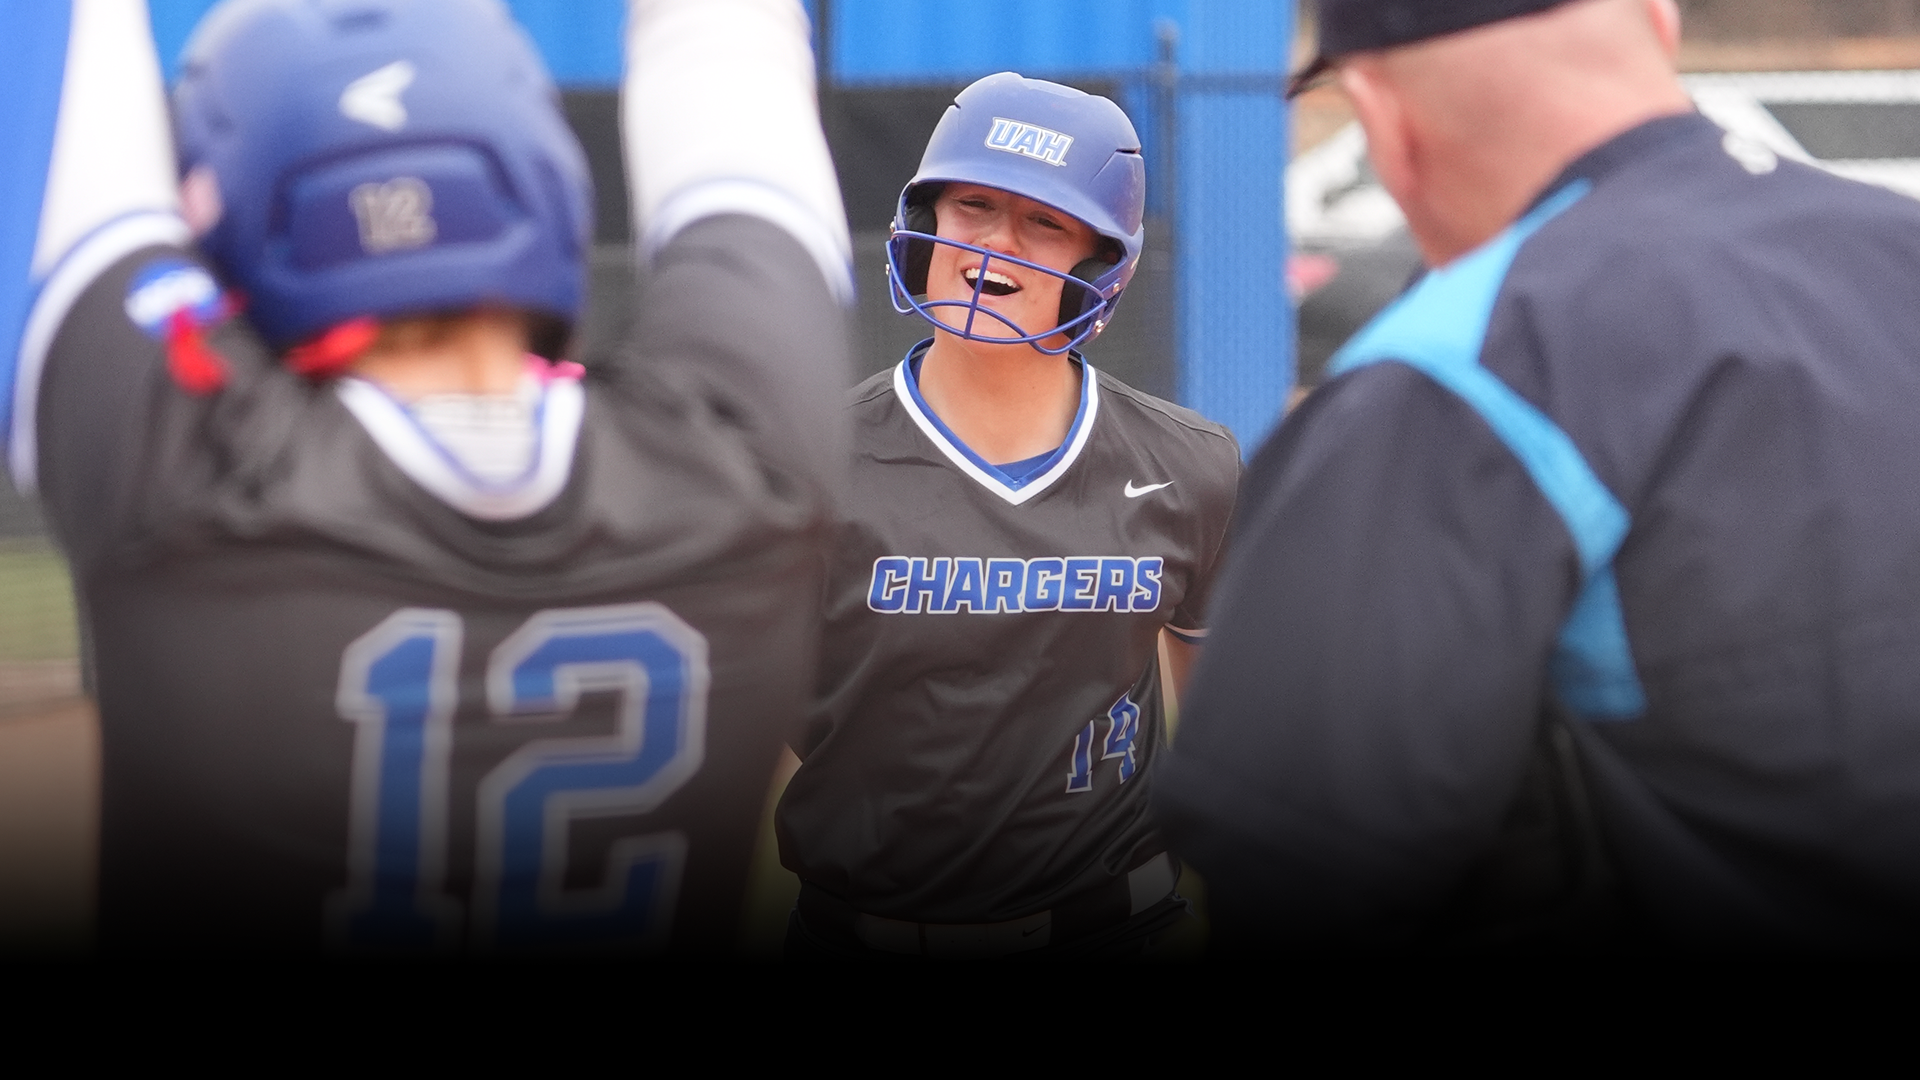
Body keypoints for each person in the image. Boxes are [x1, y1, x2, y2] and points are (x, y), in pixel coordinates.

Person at [0, 0, 850, 953]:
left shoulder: (180, 479)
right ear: (544, 182)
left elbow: (55, 58)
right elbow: (725, 43)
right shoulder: (746, 463)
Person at [1156, 0, 1920, 953]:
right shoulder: (1900, 249)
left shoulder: (1460, 368)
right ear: (1659, 22)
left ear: (1385, 123)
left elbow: (1295, 867)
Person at [774, 73, 1241, 959]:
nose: (997, 246)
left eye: (1045, 223)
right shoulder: (811, 465)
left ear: (1100, 266)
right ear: (927, 225)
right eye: (975, 205)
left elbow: (1227, 744)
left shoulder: (1189, 465)